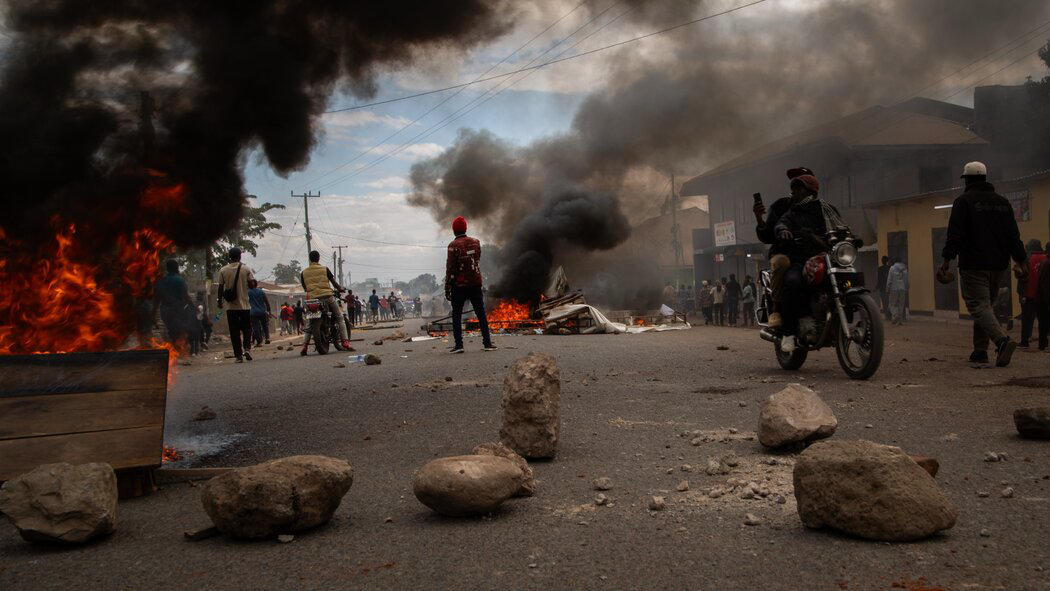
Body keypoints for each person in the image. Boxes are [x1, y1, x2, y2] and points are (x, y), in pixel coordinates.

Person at [939, 161, 1027, 367]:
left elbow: (955, 235)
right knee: (987, 307)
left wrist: (946, 260)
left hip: (973, 264)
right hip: (999, 265)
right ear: (985, 178)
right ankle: (980, 351)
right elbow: (1013, 236)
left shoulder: (963, 202)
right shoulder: (1003, 202)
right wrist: (1021, 260)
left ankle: (1002, 342)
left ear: (967, 180)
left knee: (979, 306)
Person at [774, 173, 843, 352]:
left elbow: (841, 227)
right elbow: (782, 223)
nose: (795, 192)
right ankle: (789, 333)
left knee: (847, 278)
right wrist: (783, 230)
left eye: (799, 188)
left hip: (829, 258)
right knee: (793, 281)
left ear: (810, 190)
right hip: (801, 259)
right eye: (794, 189)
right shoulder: (793, 212)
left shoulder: (828, 209)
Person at [755, 167, 813, 329]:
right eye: (795, 183)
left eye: (802, 183)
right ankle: (777, 310)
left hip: (813, 254)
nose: (797, 187)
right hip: (787, 253)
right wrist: (759, 219)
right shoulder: (782, 206)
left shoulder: (820, 208)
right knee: (785, 268)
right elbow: (767, 235)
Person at [445, 216, 495, 353]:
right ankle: (487, 343)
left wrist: (447, 288)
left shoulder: (452, 246)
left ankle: (459, 345)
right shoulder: (476, 242)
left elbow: (450, 268)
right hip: (475, 283)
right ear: (465, 228)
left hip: (459, 286)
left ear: (454, 230)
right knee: (481, 313)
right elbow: (476, 259)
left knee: (457, 315)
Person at [299, 250, 351, 355]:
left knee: (309, 323)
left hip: (312, 300)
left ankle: (304, 346)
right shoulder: (324, 269)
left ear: (310, 259)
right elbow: (334, 283)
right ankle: (345, 342)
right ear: (318, 258)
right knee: (340, 317)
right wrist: (340, 289)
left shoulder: (303, 273)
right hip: (327, 296)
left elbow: (305, 288)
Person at [216, 247, 255, 363]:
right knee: (247, 328)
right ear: (240, 256)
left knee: (234, 332)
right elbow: (252, 285)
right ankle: (247, 348)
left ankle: (238, 356)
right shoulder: (246, 269)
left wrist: (219, 302)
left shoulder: (223, 270)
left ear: (229, 257)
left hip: (231, 307)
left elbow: (220, 287)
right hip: (244, 306)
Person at [154, 259, 194, 349]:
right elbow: (186, 296)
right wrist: (193, 307)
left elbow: (157, 299)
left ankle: (174, 350)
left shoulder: (161, 281)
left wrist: (153, 315)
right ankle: (177, 350)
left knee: (171, 330)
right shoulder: (179, 280)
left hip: (165, 310)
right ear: (176, 268)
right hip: (178, 310)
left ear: (167, 269)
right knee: (179, 330)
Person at [1019, 239, 1047, 349]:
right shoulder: (1046, 258)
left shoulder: (1027, 259)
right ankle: (1043, 343)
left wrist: (1021, 294)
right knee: (1043, 320)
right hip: (1042, 295)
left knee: (1026, 319)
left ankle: (1024, 341)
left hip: (1029, 294)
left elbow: (1022, 278)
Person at [247, 279, 271, 345]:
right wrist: (269, 310)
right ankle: (267, 338)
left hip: (253, 312)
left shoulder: (248, 292)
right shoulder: (261, 291)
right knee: (265, 325)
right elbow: (266, 302)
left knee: (256, 327)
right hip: (263, 311)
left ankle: (259, 342)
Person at [886, 258, 909, 325]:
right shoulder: (904, 269)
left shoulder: (892, 268)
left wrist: (887, 288)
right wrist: (906, 287)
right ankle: (900, 321)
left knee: (891, 304)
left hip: (894, 288)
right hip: (902, 288)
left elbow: (889, 279)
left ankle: (895, 315)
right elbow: (906, 279)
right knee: (901, 305)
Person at [877, 255, 892, 320]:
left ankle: (887, 316)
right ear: (887, 261)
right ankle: (890, 315)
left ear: (882, 261)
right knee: (890, 302)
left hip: (882, 288)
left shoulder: (880, 269)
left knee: (884, 302)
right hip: (890, 288)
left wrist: (877, 287)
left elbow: (879, 279)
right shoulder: (890, 268)